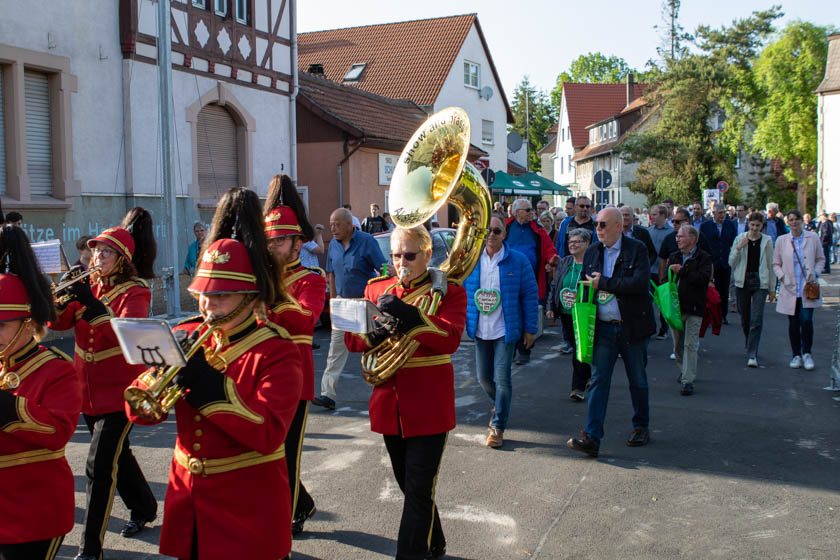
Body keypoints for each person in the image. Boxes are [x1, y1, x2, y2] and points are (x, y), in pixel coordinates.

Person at [126, 230, 302, 560]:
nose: (209, 304)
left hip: (247, 505)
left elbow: (268, 433)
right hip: (189, 501)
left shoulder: (277, 350)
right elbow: (140, 411)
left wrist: (208, 386)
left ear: (250, 296)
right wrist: (152, 385)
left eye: (221, 295)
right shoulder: (186, 333)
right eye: (204, 294)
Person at [345, 225, 466, 560]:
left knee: (417, 489)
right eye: (396, 255)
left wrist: (412, 318)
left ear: (428, 255)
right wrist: (374, 332)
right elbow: (352, 339)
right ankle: (435, 541)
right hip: (389, 402)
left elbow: (451, 338)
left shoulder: (448, 291)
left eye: (409, 256)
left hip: (429, 404)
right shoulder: (376, 289)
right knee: (411, 487)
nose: (401, 263)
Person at [50, 211, 159, 560]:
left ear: (123, 260)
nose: (97, 258)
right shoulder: (89, 285)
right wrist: (56, 297)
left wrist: (92, 301)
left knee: (98, 466)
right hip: (86, 389)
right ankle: (143, 506)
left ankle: (91, 548)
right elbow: (60, 323)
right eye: (95, 252)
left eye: (106, 253)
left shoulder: (136, 290)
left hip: (121, 391)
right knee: (117, 457)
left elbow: (128, 331)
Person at [0, 225, 82, 560]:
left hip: (34, 513)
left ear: (27, 321)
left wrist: (6, 408)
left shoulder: (55, 368)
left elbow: (57, 432)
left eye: (0, 325)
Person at [263, 175, 327, 535]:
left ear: (298, 242)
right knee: (266, 452)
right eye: (270, 240)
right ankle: (302, 503)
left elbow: (306, 321)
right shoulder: (260, 279)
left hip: (294, 382)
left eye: (281, 240)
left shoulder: (311, 279)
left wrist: (273, 299)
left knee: (287, 455)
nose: (274, 246)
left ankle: (284, 522)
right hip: (258, 375)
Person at [566, 207, 654, 457]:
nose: (598, 229)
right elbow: (586, 281)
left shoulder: (636, 249)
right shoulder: (593, 251)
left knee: (637, 379)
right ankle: (591, 436)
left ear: (618, 226)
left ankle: (640, 426)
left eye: (603, 225)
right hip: (603, 327)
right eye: (597, 225)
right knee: (598, 380)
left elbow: (638, 284)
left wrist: (603, 283)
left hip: (632, 326)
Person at [465, 217, 538, 448]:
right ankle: (500, 404)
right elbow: (460, 291)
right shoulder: (472, 260)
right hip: (479, 329)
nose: (491, 234)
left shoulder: (518, 260)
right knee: (483, 378)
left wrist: (530, 328)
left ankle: (498, 426)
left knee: (502, 379)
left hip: (504, 329)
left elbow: (529, 294)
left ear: (505, 234)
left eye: (496, 230)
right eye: (487, 230)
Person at [313, 208, 388, 409]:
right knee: (336, 349)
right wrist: (334, 301)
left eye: (337, 224)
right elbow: (331, 274)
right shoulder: (333, 247)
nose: (333, 229)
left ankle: (382, 391)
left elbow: (382, 269)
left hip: (364, 303)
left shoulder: (366, 241)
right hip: (342, 304)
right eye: (331, 225)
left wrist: (378, 296)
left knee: (372, 347)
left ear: (349, 225)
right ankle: (327, 393)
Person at [505, 198, 558, 365]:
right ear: (516, 212)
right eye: (527, 210)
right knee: (510, 312)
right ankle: (511, 349)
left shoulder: (537, 230)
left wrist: (552, 259)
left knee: (528, 312)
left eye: (531, 210)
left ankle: (525, 350)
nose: (531, 213)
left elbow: (549, 248)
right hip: (508, 277)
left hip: (530, 277)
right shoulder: (505, 227)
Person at [773, 209, 824, 371]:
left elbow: (820, 259)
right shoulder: (782, 240)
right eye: (791, 220)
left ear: (802, 220)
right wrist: (782, 278)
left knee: (807, 320)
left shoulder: (813, 237)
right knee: (794, 322)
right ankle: (796, 354)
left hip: (807, 286)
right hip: (790, 287)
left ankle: (807, 353)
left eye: (796, 219)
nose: (793, 222)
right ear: (787, 222)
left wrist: (815, 273)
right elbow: (776, 263)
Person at [666, 225, 713, 396]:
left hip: (694, 306)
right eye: (677, 236)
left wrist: (683, 271)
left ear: (693, 239)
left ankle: (688, 380)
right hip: (675, 307)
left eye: (681, 236)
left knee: (690, 344)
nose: (677, 239)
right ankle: (683, 369)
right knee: (678, 345)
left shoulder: (703, 257)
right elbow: (666, 279)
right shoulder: (674, 256)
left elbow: (703, 279)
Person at [546, 228, 592, 400]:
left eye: (577, 242)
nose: (572, 245)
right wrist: (551, 307)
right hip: (566, 312)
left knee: (580, 348)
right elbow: (555, 285)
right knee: (576, 347)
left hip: (584, 311)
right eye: (570, 242)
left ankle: (577, 388)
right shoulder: (565, 262)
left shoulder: (592, 263)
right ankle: (586, 376)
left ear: (587, 244)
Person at [729, 212, 775, 367]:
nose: (755, 228)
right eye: (752, 225)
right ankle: (749, 342)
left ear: (762, 226)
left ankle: (752, 352)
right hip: (742, 281)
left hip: (760, 282)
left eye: (758, 225)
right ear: (748, 224)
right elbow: (731, 262)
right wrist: (738, 248)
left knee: (756, 318)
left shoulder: (767, 241)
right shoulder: (740, 239)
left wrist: (772, 288)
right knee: (745, 317)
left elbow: (770, 265)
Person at [700, 203, 737, 323]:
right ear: (713, 213)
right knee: (711, 290)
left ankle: (723, 315)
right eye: (720, 213)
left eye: (724, 213)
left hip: (725, 262)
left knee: (724, 290)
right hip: (711, 262)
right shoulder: (706, 226)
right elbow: (702, 244)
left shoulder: (730, 225)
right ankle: (710, 315)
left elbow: (733, 242)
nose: (722, 215)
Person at [647, 205, 672, 339]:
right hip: (650, 270)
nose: (652, 217)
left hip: (664, 272)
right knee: (647, 300)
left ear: (663, 216)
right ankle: (650, 327)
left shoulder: (671, 232)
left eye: (655, 214)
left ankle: (664, 328)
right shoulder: (649, 231)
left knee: (663, 302)